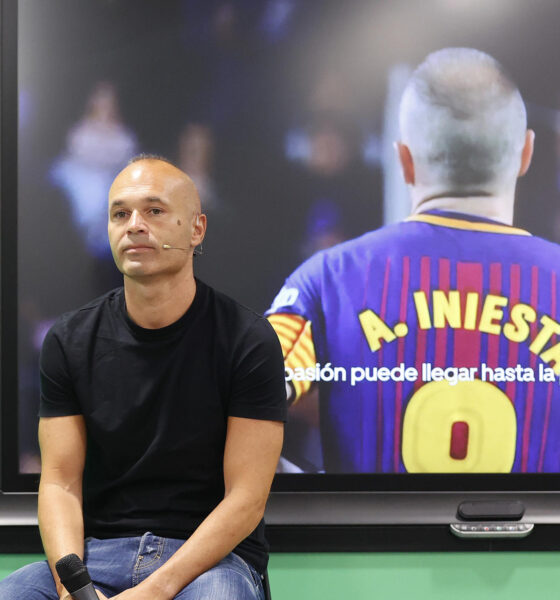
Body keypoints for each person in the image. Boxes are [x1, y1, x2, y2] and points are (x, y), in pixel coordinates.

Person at [0, 156, 287, 599]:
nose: (134, 225)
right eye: (120, 213)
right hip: (97, 555)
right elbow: (59, 483)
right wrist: (70, 587)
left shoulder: (247, 339)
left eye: (153, 210)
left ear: (196, 229)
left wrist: (154, 591)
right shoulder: (68, 339)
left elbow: (245, 500)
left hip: (208, 564)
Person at [267, 47, 560, 474]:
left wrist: (314, 502)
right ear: (525, 154)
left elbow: (220, 416)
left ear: (404, 160)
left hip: (363, 542)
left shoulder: (325, 283)